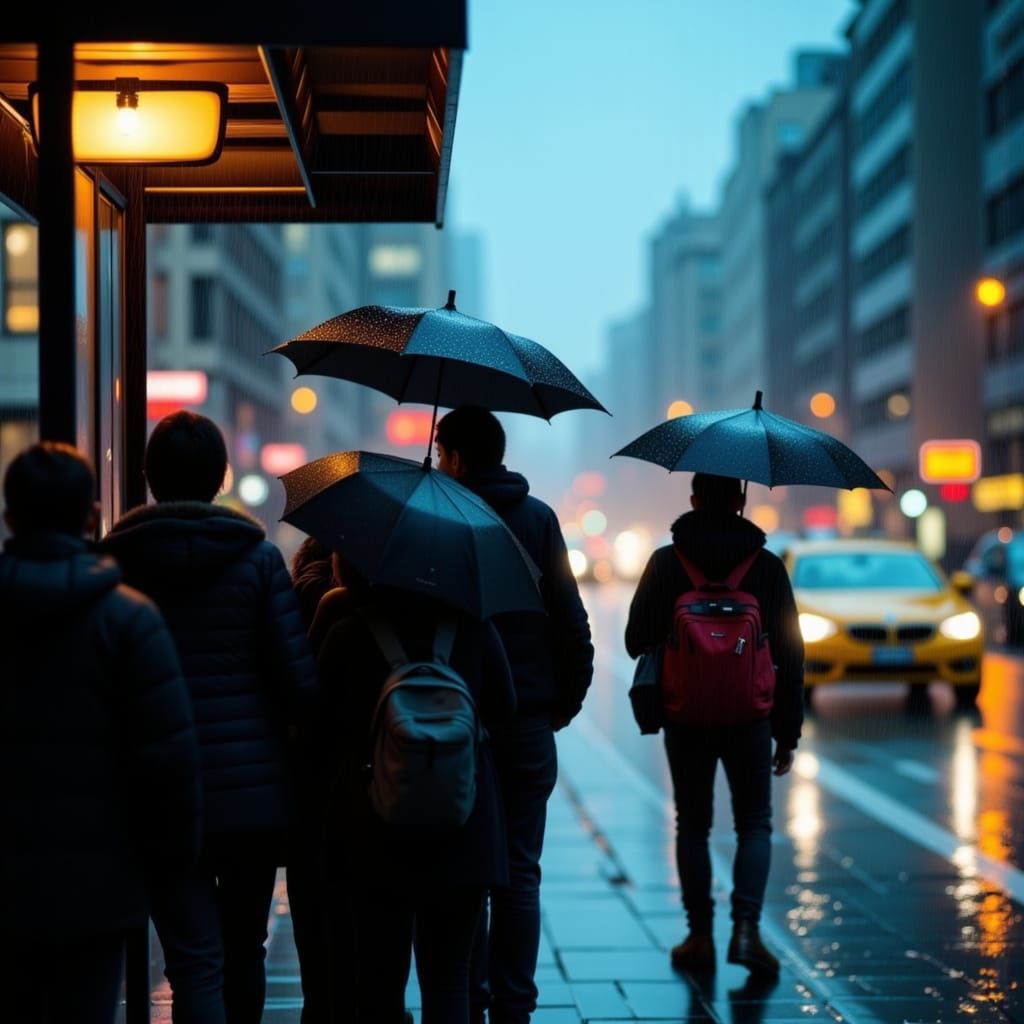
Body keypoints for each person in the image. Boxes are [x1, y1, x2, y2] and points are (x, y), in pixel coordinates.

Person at [101, 412, 318, 1024]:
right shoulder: (257, 561)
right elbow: (299, 683)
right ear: (222, 476)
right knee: (244, 948)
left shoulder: (115, 563)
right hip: (249, 799)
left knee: (192, 957)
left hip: (156, 790)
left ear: (148, 477)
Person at [0, 442, 202, 1024]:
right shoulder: (128, 620)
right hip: (98, 888)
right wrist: (163, 867)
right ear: (91, 518)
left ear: (10, 518)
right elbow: (169, 763)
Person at [434, 405, 595, 1024]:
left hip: (457, 727)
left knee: (464, 872)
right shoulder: (539, 519)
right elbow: (572, 622)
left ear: (455, 456)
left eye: (445, 452)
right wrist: (561, 705)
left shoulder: (439, 516)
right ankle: (515, 1006)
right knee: (521, 872)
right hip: (529, 720)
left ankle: (466, 998)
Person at [313, 561, 517, 1024]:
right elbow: (506, 708)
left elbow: (318, 724)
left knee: (379, 979)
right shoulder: (473, 628)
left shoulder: (348, 632)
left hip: (373, 828)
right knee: (449, 979)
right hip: (461, 825)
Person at [624, 472, 804, 976]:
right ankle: (745, 929)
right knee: (754, 823)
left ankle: (698, 936)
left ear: (694, 500)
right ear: (743, 501)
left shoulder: (666, 563)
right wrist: (787, 732)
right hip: (752, 716)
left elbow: (635, 639)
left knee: (693, 825)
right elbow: (790, 653)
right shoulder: (766, 567)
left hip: (686, 715)